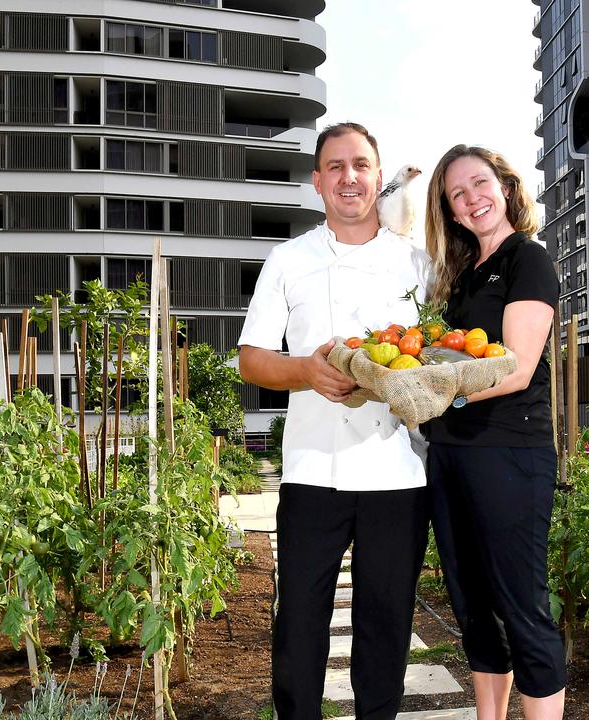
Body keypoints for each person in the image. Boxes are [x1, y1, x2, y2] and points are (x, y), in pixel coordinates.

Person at [238, 122, 431, 720]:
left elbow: (438, 351)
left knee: (387, 624)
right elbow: (251, 359)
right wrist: (306, 372)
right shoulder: (288, 260)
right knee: (298, 626)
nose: (350, 177)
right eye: (337, 167)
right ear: (318, 181)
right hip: (311, 470)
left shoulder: (417, 264)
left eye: (362, 165)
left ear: (378, 177)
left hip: (397, 473)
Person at [421, 145, 566, 720]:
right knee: (473, 606)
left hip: (508, 453)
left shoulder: (527, 259)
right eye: (458, 194)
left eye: (479, 184)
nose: (472, 198)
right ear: (452, 213)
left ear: (504, 187)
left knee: (521, 606)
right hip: (452, 452)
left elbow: (517, 367)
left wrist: (440, 391)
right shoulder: (460, 279)